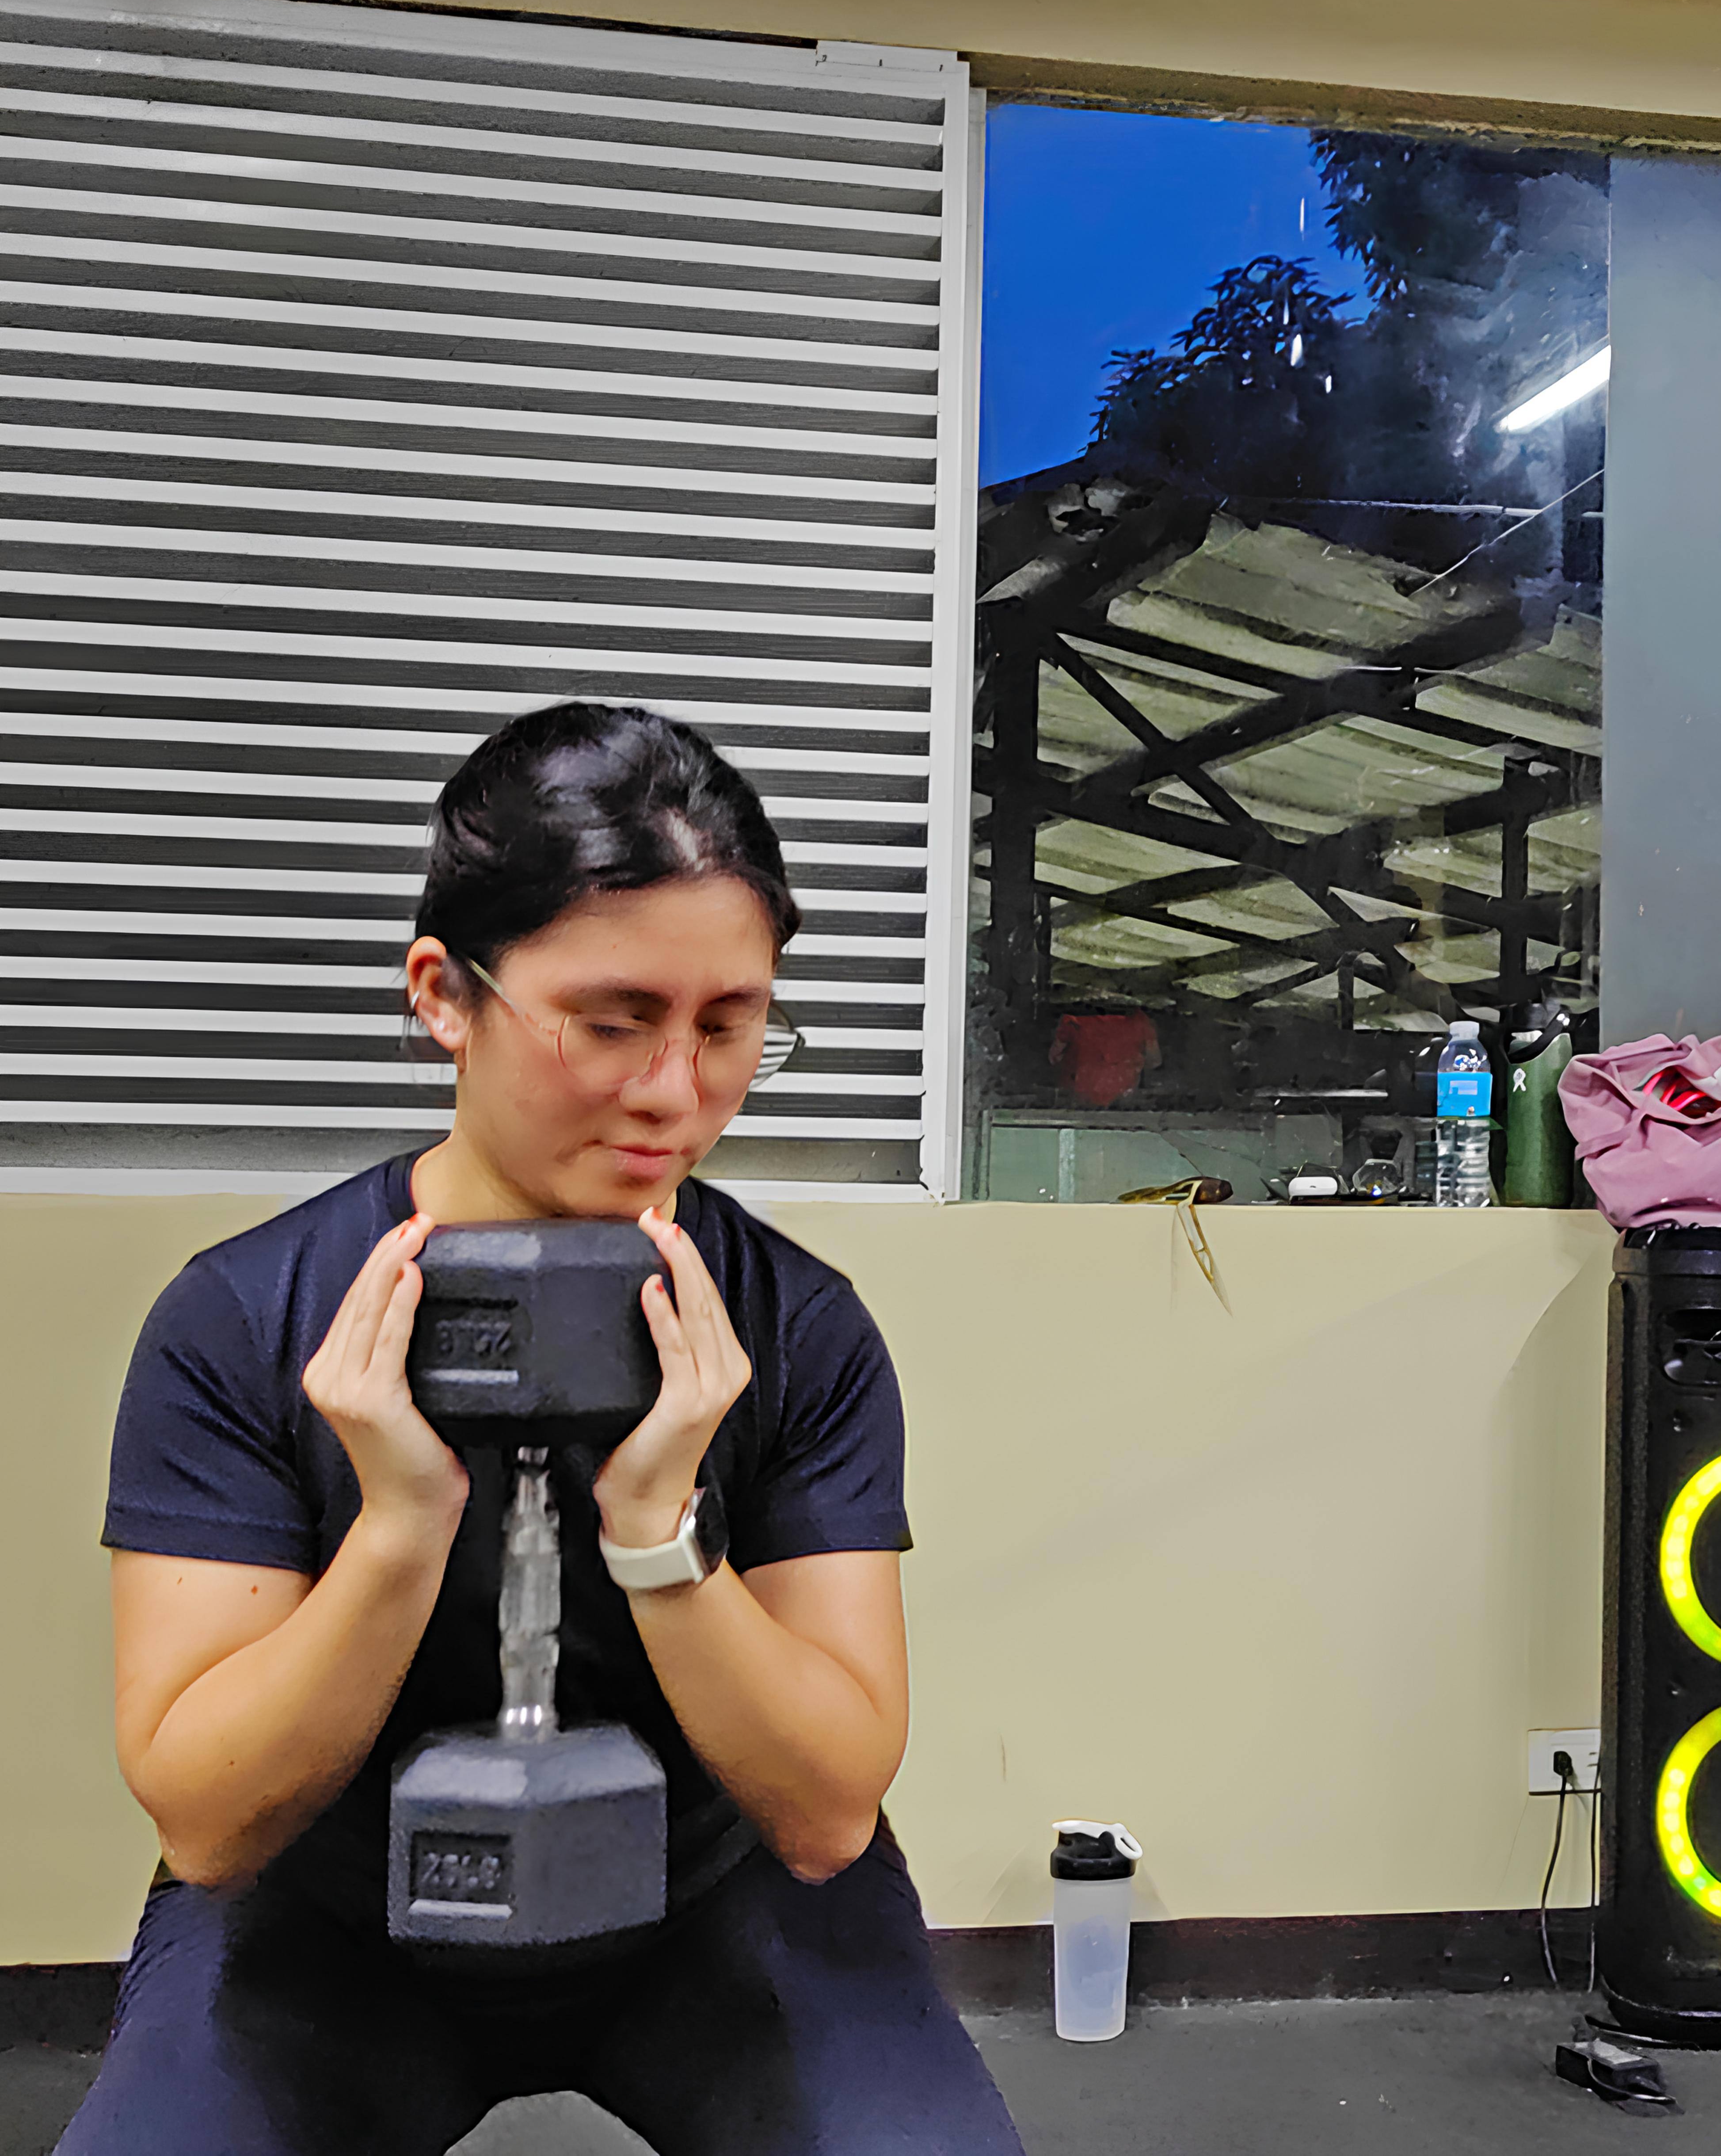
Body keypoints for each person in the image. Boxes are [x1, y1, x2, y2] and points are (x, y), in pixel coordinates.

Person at [60, 703, 1027, 2156]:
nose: (676, 1092)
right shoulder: (244, 1322)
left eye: (730, 1024)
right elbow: (205, 1819)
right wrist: (395, 1532)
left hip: (714, 1907)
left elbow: (827, 1812)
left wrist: (660, 1537)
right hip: (341, 1920)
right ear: (447, 994)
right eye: (613, 1019)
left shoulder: (799, 1329)